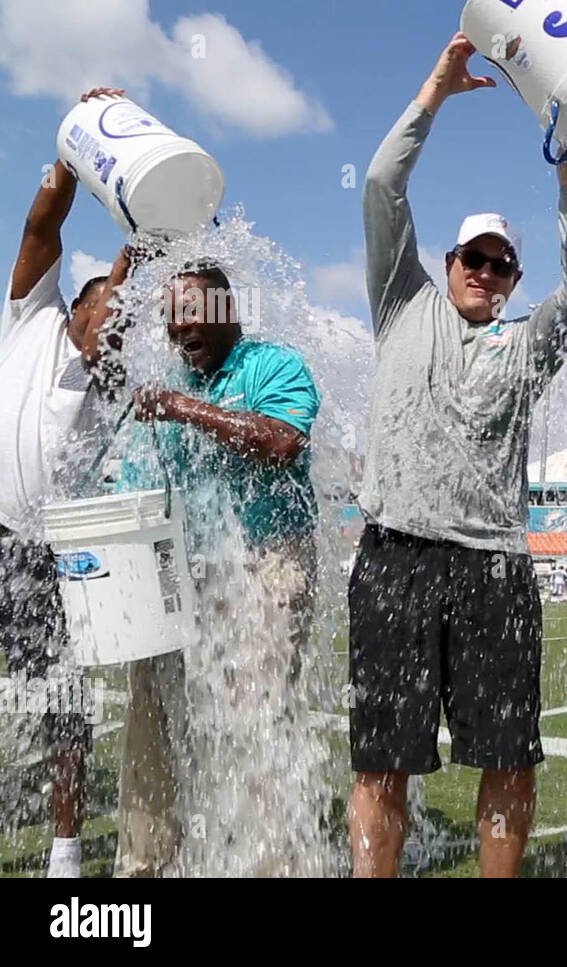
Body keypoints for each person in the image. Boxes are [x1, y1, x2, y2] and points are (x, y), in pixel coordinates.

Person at [347, 31, 567, 879]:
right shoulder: (401, 302)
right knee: (381, 760)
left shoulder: (528, 346)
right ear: (446, 262)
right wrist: (436, 89)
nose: (488, 273)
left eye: (503, 265)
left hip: (495, 568)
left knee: (509, 756)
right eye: (475, 259)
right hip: (395, 559)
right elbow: (383, 183)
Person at [116, 262, 321, 876]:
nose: (179, 330)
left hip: (266, 565)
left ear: (228, 311)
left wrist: (182, 409)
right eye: (170, 320)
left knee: (254, 718)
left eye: (191, 314)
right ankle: (146, 865)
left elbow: (282, 440)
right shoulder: (169, 387)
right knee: (147, 712)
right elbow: (138, 490)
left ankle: (266, 863)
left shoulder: (272, 366)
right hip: (186, 573)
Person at [0, 87, 131, 878]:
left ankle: (65, 848)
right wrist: (78, 150)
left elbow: (138, 269)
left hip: (49, 561)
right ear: (79, 303)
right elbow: (42, 223)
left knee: (62, 705)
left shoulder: (112, 383)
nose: (119, 324)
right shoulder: (33, 315)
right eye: (111, 308)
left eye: (129, 321)